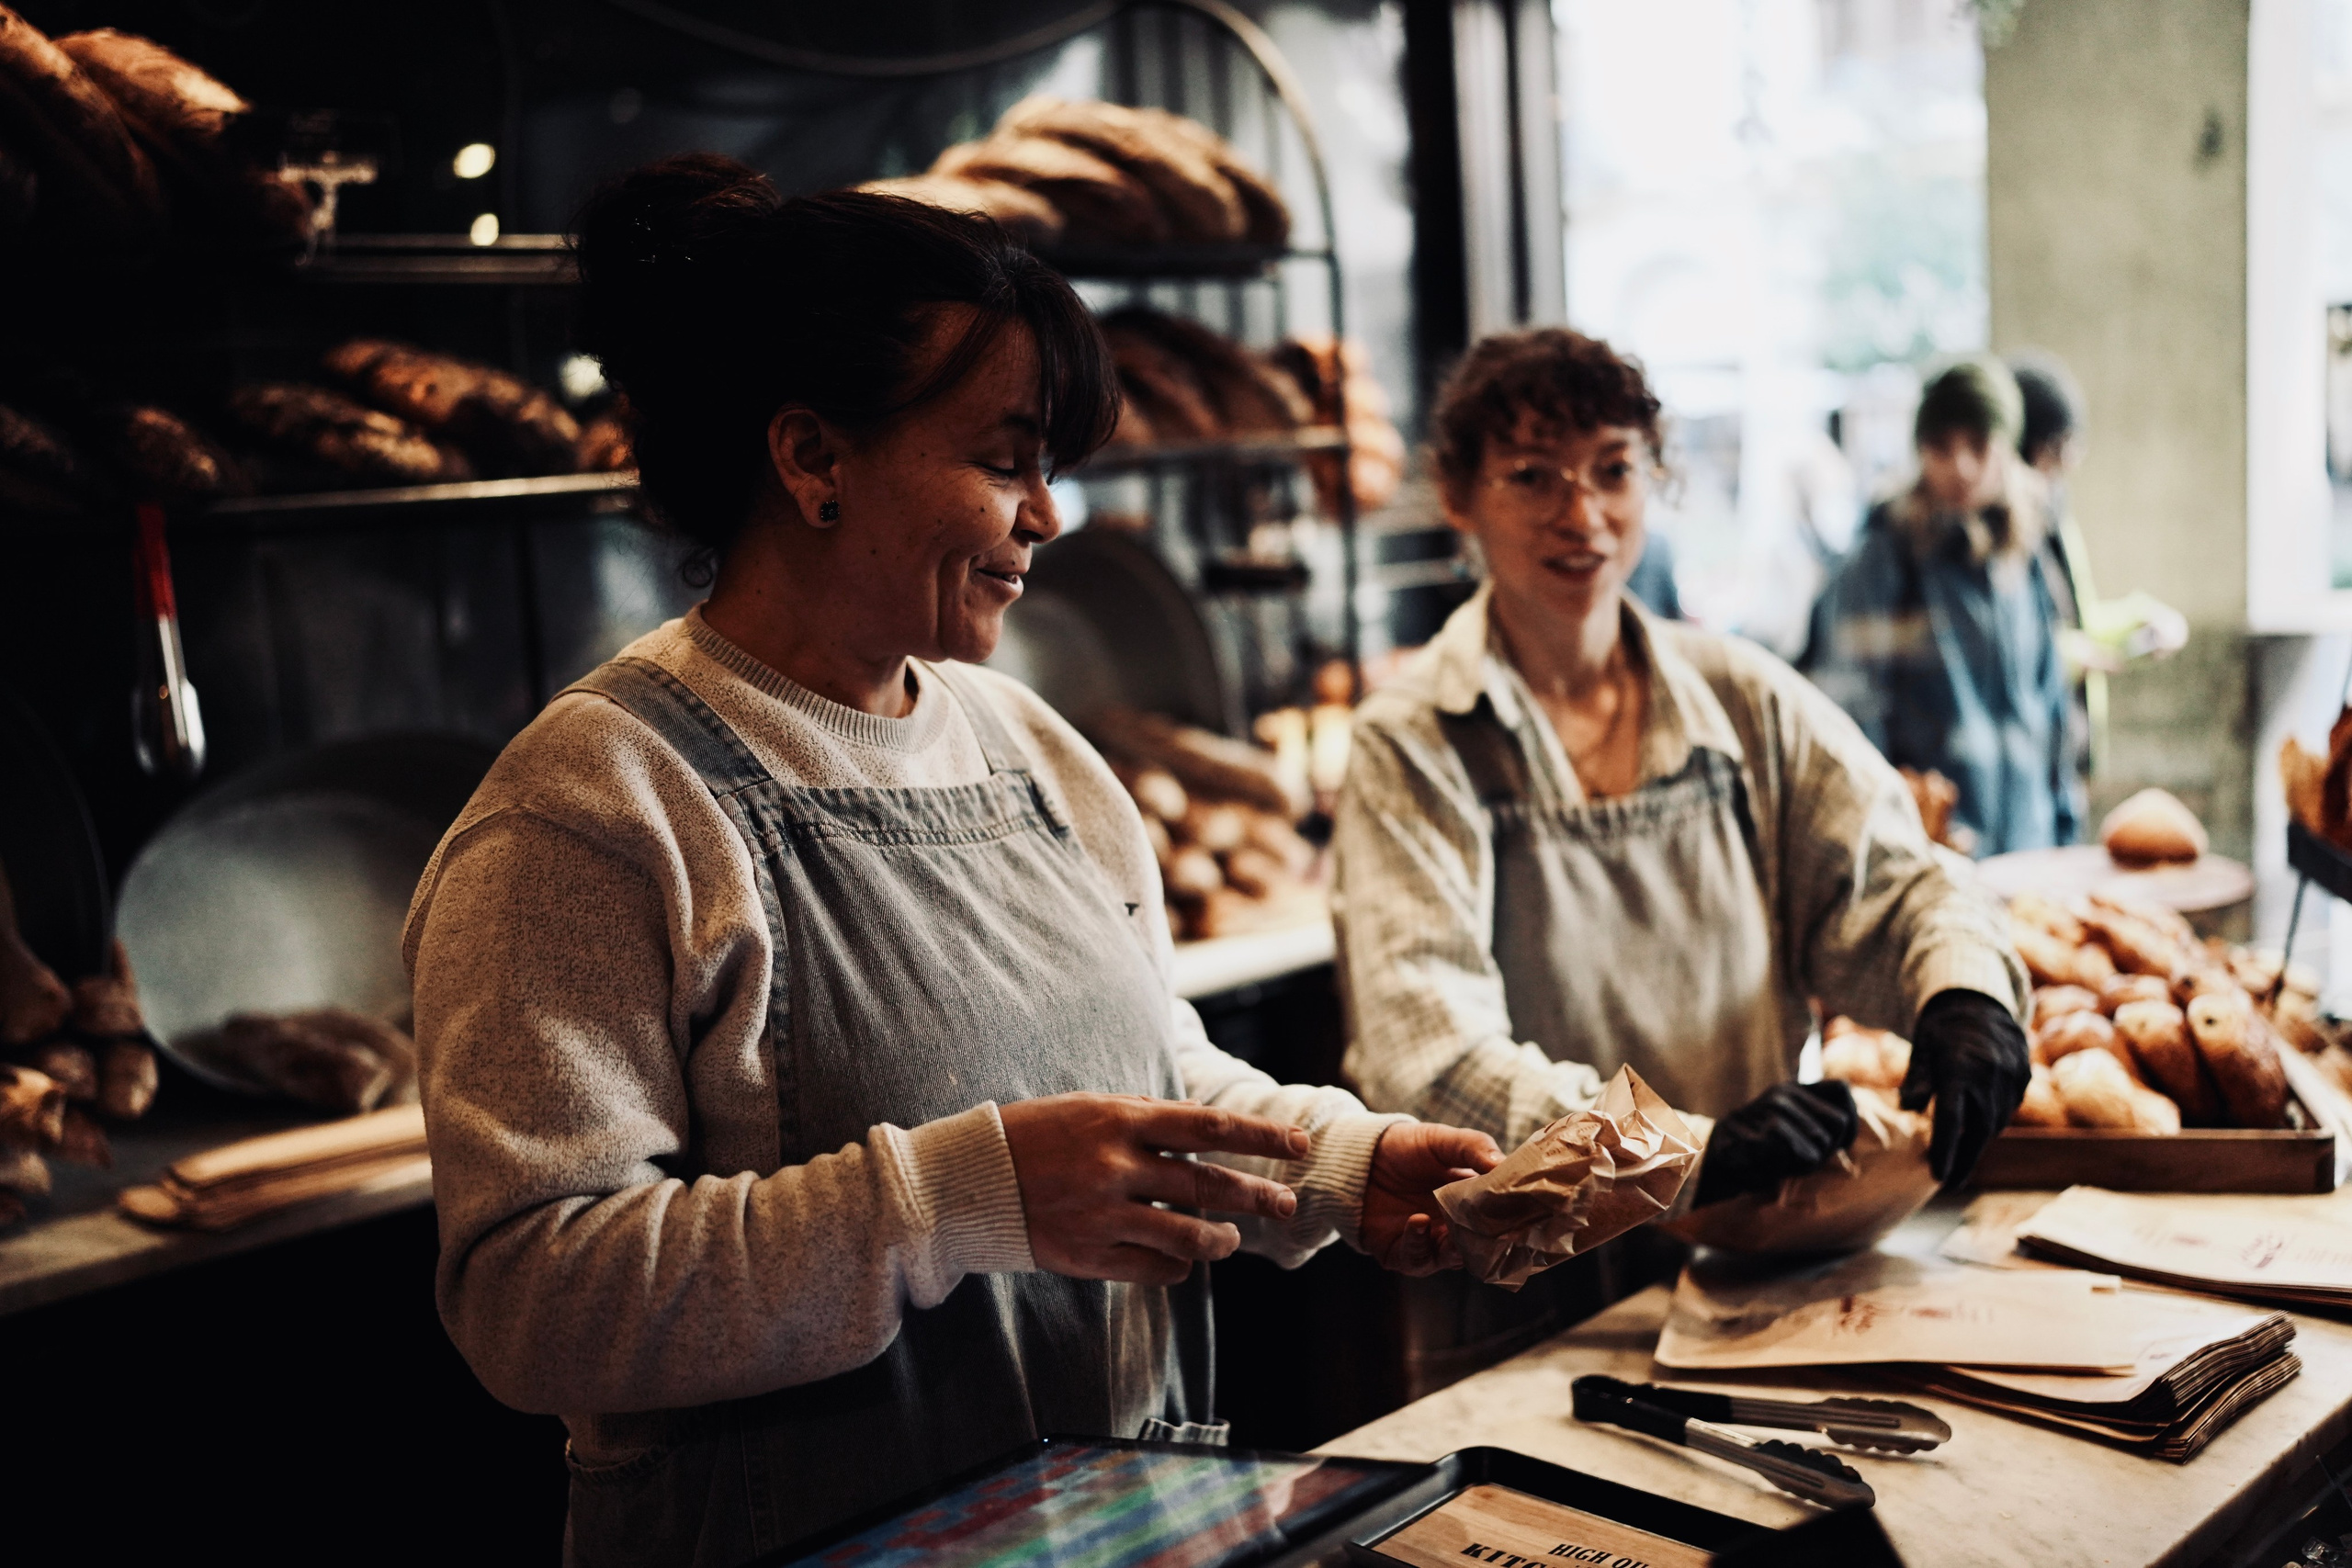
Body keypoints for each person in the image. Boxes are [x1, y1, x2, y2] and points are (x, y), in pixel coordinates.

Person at [403, 154, 1502, 1566]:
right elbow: (534, 1296)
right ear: (812, 458)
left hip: (1121, 1529)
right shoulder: (593, 807)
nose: (1051, 513)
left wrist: (1343, 1166)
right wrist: (948, 1199)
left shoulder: (1030, 748)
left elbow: (1143, 1068)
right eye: (1005, 459)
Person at [1329, 329, 2029, 1379]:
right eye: (1533, 478)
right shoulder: (1416, 742)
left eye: (1613, 470)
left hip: (1749, 1268)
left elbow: (1893, 883)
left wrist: (1964, 995)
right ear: (1457, 496)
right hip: (1526, 1305)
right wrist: (1681, 1153)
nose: (1583, 516)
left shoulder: (1739, 699)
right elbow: (1427, 1058)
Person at [1802, 355, 2084, 855]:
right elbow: (1847, 711)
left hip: (2029, 851)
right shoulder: (1885, 558)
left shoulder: (2027, 554)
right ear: (1919, 451)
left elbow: (2050, 708)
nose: (1962, 467)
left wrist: (2064, 826)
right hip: (1932, 856)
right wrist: (1895, 835)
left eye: (1978, 445)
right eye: (1941, 447)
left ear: (2007, 447)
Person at [2010, 352, 2187, 779]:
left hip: (2067, 745)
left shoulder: (2054, 516)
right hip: (2028, 752)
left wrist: (2140, 620)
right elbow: (2004, 649)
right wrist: (2070, 656)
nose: (2063, 467)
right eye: (2054, 452)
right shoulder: (1996, 536)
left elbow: (2078, 624)